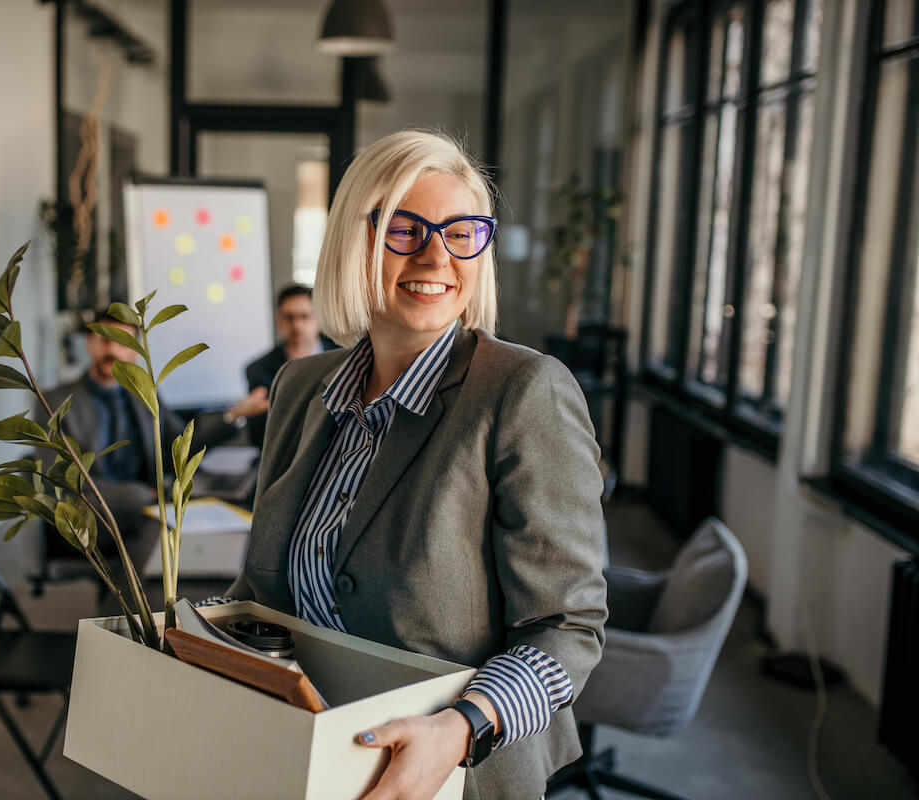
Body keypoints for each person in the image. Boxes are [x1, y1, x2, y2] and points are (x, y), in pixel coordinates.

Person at [224, 130, 607, 800]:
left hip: (452, 774)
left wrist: (460, 730)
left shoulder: (523, 391)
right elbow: (263, 594)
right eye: (406, 228)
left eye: (463, 232)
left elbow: (568, 628)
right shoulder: (298, 387)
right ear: (354, 239)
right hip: (304, 757)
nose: (437, 254)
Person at [35, 312, 269, 570]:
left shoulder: (143, 394)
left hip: (149, 508)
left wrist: (234, 414)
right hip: (89, 513)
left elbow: (180, 446)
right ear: (90, 344)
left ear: (135, 352)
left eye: (122, 342)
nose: (112, 349)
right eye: (104, 340)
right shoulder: (55, 402)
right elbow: (58, 478)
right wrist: (139, 495)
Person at [244, 284, 338, 448]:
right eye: (289, 317)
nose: (297, 325)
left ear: (319, 319)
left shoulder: (346, 359)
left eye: (305, 316)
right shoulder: (258, 370)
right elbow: (260, 437)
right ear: (279, 322)